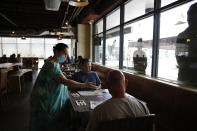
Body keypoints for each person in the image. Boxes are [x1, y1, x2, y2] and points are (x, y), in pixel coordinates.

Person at [31, 43, 96, 131]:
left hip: (50, 97)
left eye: (67, 54)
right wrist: (85, 84)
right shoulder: (52, 65)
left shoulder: (55, 63)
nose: (66, 56)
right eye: (64, 53)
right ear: (56, 52)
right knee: (47, 123)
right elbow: (65, 82)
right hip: (46, 100)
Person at [175, 3, 197, 84]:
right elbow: (182, 61)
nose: (189, 18)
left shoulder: (183, 35)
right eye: (189, 15)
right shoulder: (183, 36)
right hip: (187, 80)